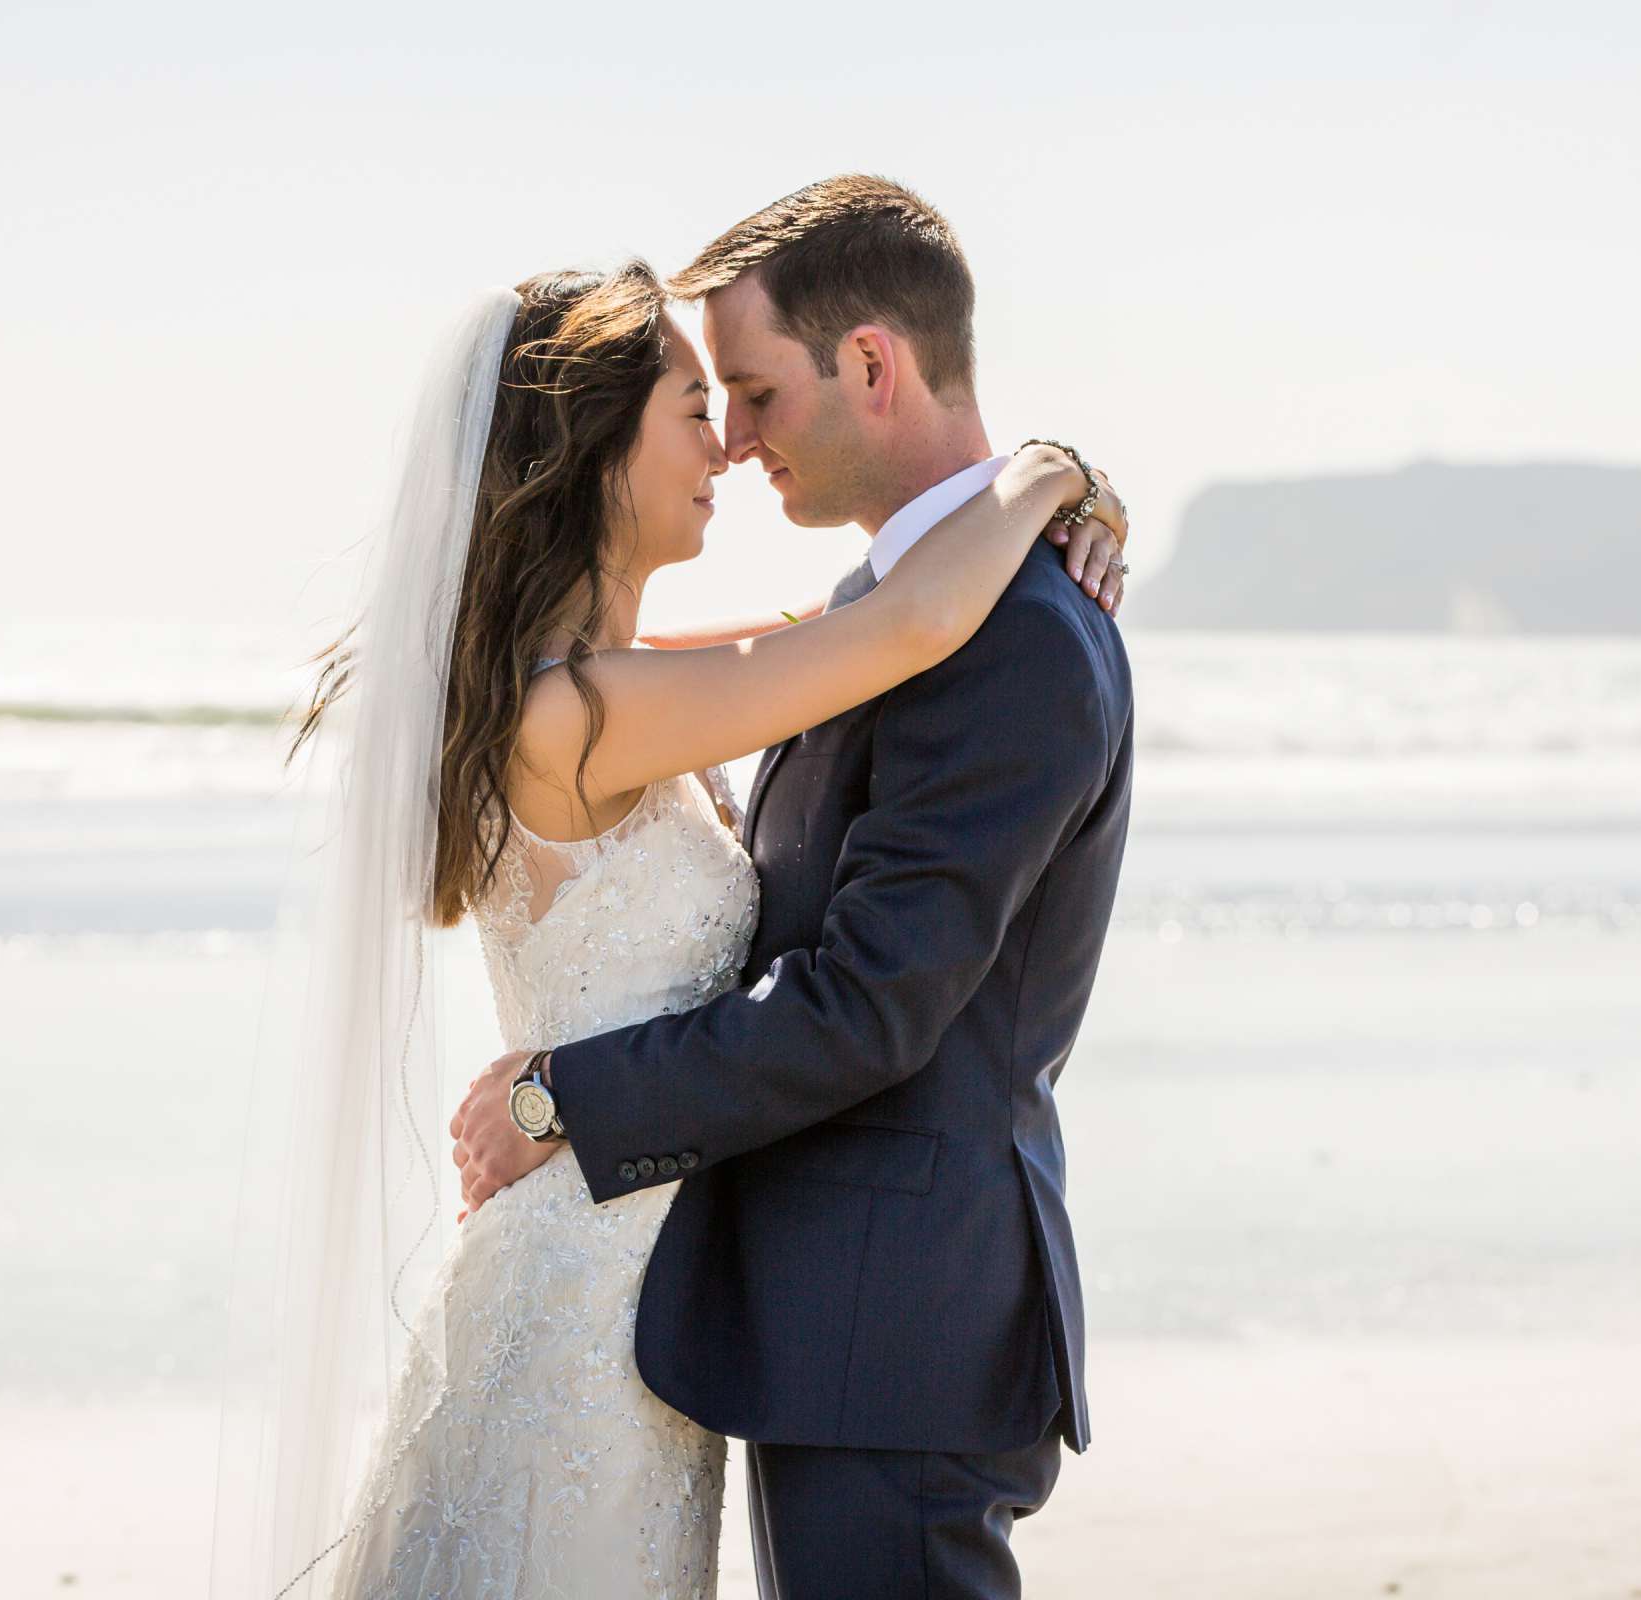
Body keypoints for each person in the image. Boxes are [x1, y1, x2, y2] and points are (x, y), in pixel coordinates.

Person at [208, 205, 1129, 1596]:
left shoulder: (666, 677)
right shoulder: (586, 709)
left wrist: (560, 1095)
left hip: (759, 1301)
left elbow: (882, 653)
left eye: (745, 397)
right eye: (699, 408)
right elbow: (896, 632)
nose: (731, 443)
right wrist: (1053, 473)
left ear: (870, 364)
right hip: (613, 1294)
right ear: (591, 455)